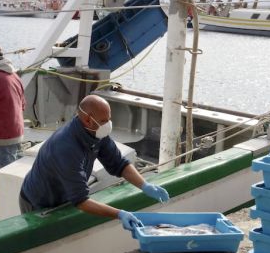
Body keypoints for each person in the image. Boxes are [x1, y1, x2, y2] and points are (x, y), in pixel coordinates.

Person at [19, 95, 169, 230]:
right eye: (104, 121)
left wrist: (145, 185)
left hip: (65, 196)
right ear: (88, 119)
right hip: (39, 201)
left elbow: (119, 164)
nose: (108, 124)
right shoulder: (65, 147)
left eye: (109, 119)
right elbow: (81, 200)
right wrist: (120, 214)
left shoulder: (97, 133)